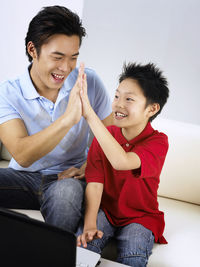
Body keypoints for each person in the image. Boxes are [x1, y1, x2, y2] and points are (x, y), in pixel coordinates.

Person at [0, 6, 112, 233]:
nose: (65, 67)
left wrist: (88, 166)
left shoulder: (89, 81)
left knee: (67, 195)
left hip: (66, 180)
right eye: (57, 57)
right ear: (33, 50)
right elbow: (21, 154)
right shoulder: (8, 92)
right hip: (21, 178)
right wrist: (68, 120)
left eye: (73, 58)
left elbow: (112, 138)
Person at [76, 62, 169, 267]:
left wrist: (90, 114)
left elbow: (122, 162)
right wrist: (90, 223)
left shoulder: (158, 141)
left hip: (140, 216)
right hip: (107, 211)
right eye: (117, 96)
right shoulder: (107, 135)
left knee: (133, 256)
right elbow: (95, 182)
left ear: (151, 108)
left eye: (129, 99)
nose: (118, 104)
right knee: (81, 249)